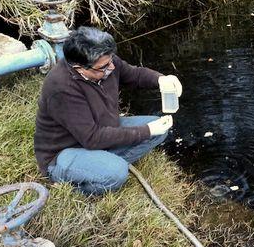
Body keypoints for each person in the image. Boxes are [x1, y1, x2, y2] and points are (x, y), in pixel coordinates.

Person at [33, 26, 182, 195]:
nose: (111, 67)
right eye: (103, 67)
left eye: (111, 60)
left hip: (101, 131)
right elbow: (92, 138)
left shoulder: (104, 62)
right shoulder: (61, 88)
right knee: (117, 173)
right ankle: (68, 183)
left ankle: (101, 164)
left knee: (158, 129)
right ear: (80, 68)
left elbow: (134, 75)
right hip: (66, 151)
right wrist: (146, 131)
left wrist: (161, 80)